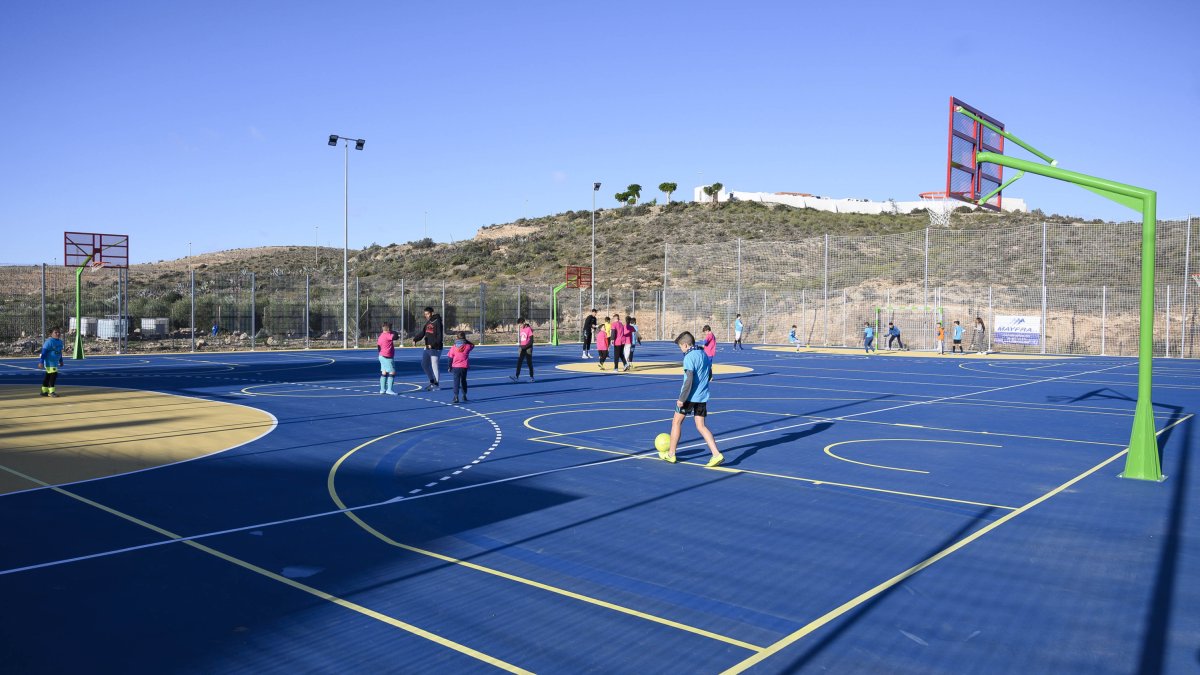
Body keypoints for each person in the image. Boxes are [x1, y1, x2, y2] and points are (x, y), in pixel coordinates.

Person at [658, 331, 723, 467]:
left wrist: (682, 398)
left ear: (686, 345)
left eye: (681, 347)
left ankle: (671, 454)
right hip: (702, 396)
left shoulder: (689, 357)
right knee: (701, 426)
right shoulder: (703, 354)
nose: (681, 349)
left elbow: (689, 380)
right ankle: (716, 454)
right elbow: (709, 372)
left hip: (689, 397)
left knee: (676, 422)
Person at [412, 306, 444, 390]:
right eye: (425, 314)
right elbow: (423, 333)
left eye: (427, 314)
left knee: (434, 365)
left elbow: (439, 336)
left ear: (432, 313)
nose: (426, 315)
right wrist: (415, 339)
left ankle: (437, 385)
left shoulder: (437, 321)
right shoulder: (428, 322)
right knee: (424, 364)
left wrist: (433, 344)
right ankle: (432, 382)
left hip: (435, 347)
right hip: (427, 347)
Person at [38, 326, 65, 397]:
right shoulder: (49, 342)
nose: (58, 333)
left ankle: (44, 391)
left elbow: (59, 352)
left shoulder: (60, 342)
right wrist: (41, 362)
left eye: (59, 332)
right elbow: (43, 353)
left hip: (55, 363)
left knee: (48, 376)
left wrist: (61, 361)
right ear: (51, 334)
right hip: (50, 362)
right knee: (53, 376)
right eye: (55, 332)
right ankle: (51, 392)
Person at [448, 331, 474, 403]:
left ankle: (456, 397)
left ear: (457, 338)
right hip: (464, 366)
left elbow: (450, 358)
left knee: (456, 381)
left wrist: (449, 366)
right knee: (463, 381)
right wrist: (466, 341)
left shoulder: (453, 347)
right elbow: (472, 345)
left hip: (456, 367)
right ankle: (464, 395)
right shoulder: (467, 346)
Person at [510, 317, 534, 382]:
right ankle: (516, 377)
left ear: (523, 323)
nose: (519, 326)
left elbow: (531, 340)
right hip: (522, 348)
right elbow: (522, 339)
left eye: (520, 324)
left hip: (528, 348)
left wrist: (525, 346)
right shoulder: (521, 329)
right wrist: (520, 346)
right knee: (519, 362)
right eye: (519, 325)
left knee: (529, 363)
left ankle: (531, 378)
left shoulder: (529, 329)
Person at [377, 322, 399, 395]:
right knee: (392, 372)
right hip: (387, 357)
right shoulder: (388, 335)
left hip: (381, 356)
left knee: (384, 372)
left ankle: (382, 389)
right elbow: (396, 337)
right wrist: (393, 332)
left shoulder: (380, 336)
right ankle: (389, 390)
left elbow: (378, 347)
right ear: (389, 329)